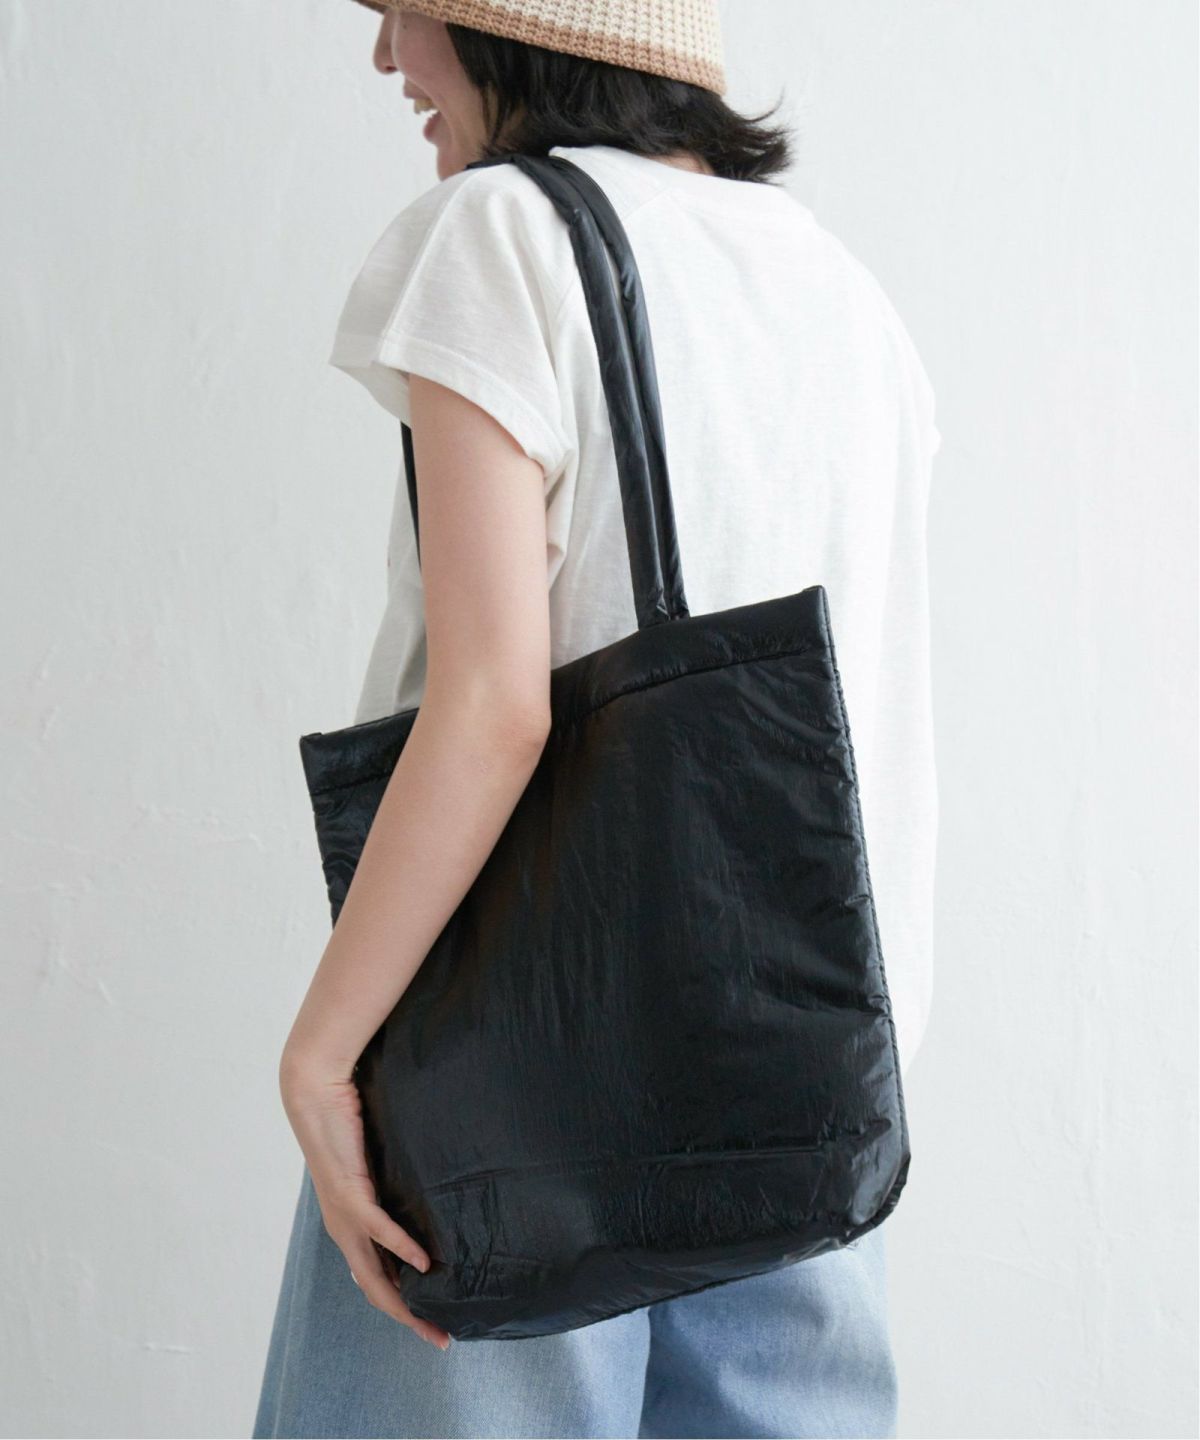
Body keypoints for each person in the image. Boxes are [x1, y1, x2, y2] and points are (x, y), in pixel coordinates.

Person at [253, 2, 941, 1436]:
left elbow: (496, 705)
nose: (387, 58)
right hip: (810, 1094)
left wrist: (321, 1056)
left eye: (406, 13)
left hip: (520, 1091)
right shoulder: (839, 287)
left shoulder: (500, 231)